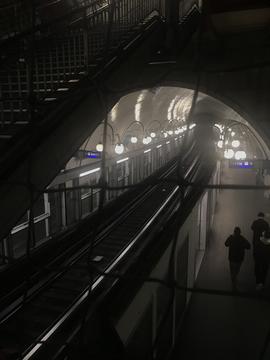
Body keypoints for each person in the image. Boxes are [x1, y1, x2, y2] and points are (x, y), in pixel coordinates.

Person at [251, 212, 269, 289]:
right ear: (263, 217)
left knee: (257, 264)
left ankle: (258, 281)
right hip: (265, 250)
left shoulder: (255, 222)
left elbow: (252, 228)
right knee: (264, 266)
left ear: (258, 216)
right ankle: (262, 282)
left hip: (256, 245)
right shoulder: (266, 223)